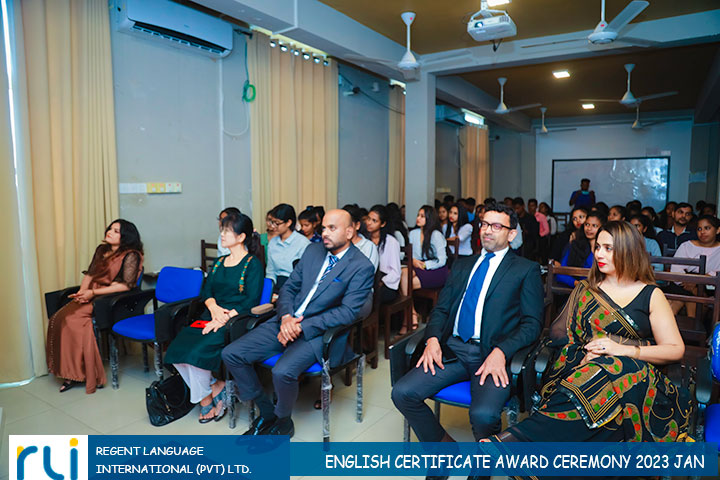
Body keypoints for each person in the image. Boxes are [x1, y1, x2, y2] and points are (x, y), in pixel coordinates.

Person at [484, 221, 691, 448]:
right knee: (593, 377)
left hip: (633, 379)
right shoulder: (586, 289)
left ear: (628, 250)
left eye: (608, 248)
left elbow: (675, 349)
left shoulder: (650, 294)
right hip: (582, 372)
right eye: (598, 247)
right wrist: (586, 354)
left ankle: (513, 441)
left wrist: (620, 349)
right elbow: (559, 337)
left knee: (611, 367)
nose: (599, 254)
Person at [391, 202, 544, 452]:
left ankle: (483, 466)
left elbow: (532, 324)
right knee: (402, 392)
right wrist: (432, 340)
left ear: (511, 234)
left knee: (484, 416)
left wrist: (501, 351)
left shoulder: (525, 270)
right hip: (453, 350)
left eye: (496, 226)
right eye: (484, 224)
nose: (487, 230)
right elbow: (441, 309)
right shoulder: (462, 265)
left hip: (492, 354)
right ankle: (443, 449)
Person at [222, 210, 375, 437]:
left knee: (282, 371)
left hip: (318, 333)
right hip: (286, 321)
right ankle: (267, 413)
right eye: (324, 227)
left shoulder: (361, 266)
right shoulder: (313, 251)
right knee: (231, 354)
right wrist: (286, 318)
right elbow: (290, 288)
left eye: (332, 228)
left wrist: (301, 326)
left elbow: (347, 312)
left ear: (350, 232)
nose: (325, 233)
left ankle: (283, 422)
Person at [164, 213, 264, 422]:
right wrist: (214, 308)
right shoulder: (218, 263)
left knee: (197, 352)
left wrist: (224, 318)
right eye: (222, 230)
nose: (222, 235)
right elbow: (206, 291)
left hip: (236, 320)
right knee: (176, 351)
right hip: (210, 314)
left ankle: (205, 402)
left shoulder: (252, 264)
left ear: (241, 237)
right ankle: (215, 387)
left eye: (227, 231)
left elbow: (251, 300)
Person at [46, 219, 143, 394]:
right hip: (92, 294)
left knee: (73, 321)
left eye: (116, 231)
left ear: (126, 236)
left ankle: (81, 374)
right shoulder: (102, 250)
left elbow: (126, 285)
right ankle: (70, 371)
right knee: (58, 317)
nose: (110, 232)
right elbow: (90, 274)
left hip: (111, 298)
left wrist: (93, 293)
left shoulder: (131, 255)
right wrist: (82, 293)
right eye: (110, 229)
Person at [403, 205, 448, 331]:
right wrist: (413, 260)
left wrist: (425, 265)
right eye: (418, 215)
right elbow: (412, 255)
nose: (418, 218)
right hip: (418, 267)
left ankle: (408, 318)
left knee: (405, 284)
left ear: (429, 218)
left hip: (436, 269)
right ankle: (412, 313)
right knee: (404, 275)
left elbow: (442, 260)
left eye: (422, 216)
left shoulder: (436, 235)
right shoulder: (413, 233)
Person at [668, 215, 720, 315]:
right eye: (699, 229)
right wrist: (691, 286)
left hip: (709, 288)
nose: (702, 232)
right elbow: (676, 269)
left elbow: (717, 273)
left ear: (718, 230)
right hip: (683, 285)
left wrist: (697, 283)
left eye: (707, 228)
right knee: (673, 304)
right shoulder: (686, 246)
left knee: (695, 303)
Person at [265, 203, 310, 292]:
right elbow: (270, 272)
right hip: (277, 286)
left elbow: (305, 275)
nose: (273, 226)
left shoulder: (303, 243)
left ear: (288, 222)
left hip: (295, 288)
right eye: (272, 222)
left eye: (277, 223)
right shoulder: (273, 243)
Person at [556, 211, 605, 288]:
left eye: (594, 226)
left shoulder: (607, 250)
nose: (589, 229)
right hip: (579, 289)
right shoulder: (575, 245)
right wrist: (577, 284)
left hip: (601, 290)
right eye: (587, 224)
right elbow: (561, 273)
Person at [365, 205, 402, 304]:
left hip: (386, 283)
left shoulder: (391, 242)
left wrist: (382, 281)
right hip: (369, 280)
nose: (369, 223)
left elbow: (396, 272)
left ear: (383, 224)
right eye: (368, 219)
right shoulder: (365, 240)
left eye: (374, 221)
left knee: (369, 297)